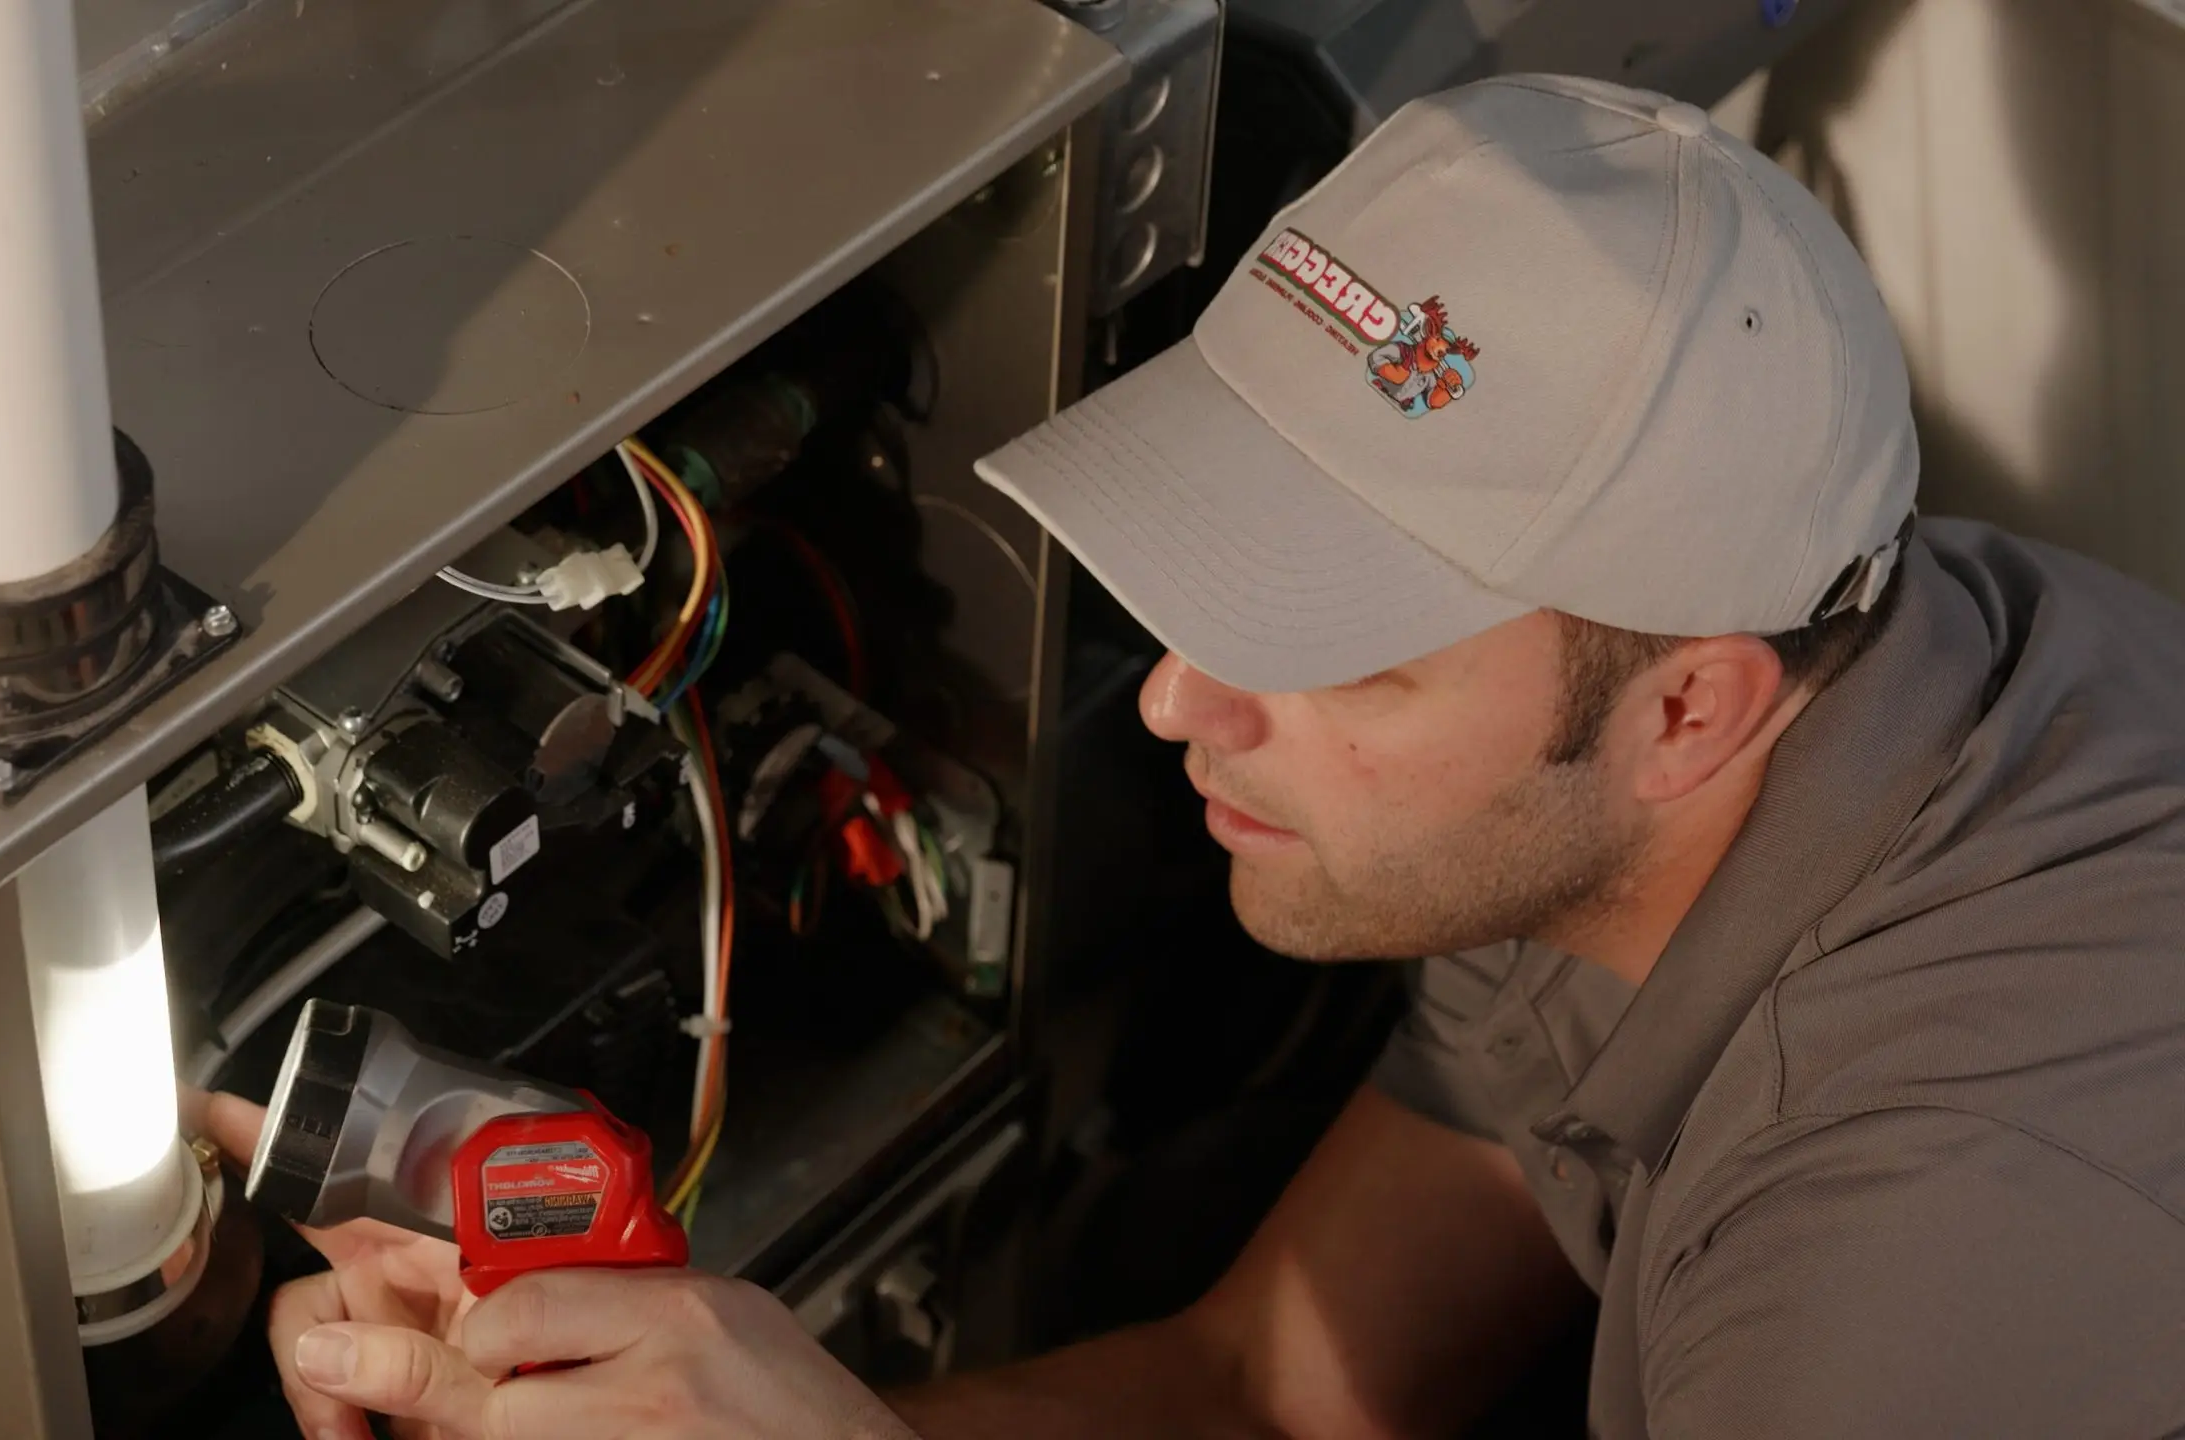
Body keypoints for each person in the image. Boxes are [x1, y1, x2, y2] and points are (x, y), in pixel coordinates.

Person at [207, 72, 2185, 1439]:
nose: (1175, 701)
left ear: (1690, 713)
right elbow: (1283, 1391)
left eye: (1337, 655)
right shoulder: (1648, 760)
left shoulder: (1953, 1259)